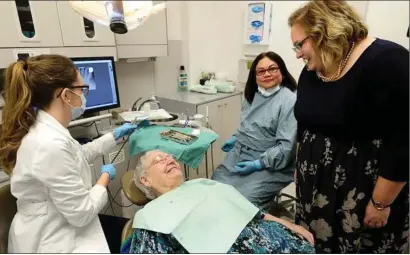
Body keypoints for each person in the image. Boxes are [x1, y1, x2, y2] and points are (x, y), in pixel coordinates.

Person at [288, 1, 409, 253]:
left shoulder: (387, 60)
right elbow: (304, 125)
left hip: (362, 194)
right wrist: (299, 170)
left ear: (324, 32)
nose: (298, 53)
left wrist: (380, 203)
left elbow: (403, 140)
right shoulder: (312, 71)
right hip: (315, 192)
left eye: (300, 44)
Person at [0, 54, 137, 253]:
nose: (84, 96)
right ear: (66, 95)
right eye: (82, 89)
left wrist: (113, 136)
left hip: (60, 219)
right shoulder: (48, 143)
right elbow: (82, 213)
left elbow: (78, 154)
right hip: (50, 237)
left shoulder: (48, 128)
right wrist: (104, 179)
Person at [121, 150, 315, 254]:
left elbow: (254, 212)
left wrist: (290, 225)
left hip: (273, 240)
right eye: (159, 160)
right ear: (145, 180)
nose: (169, 160)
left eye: (170, 157)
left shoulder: (202, 183)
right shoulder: (150, 216)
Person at [211, 51, 298, 210]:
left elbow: (286, 148)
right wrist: (237, 137)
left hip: (270, 164)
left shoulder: (289, 100)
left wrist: (259, 163)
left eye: (272, 69)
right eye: (261, 71)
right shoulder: (253, 95)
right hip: (240, 154)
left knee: (243, 205)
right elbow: (249, 124)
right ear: (255, 76)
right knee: (215, 188)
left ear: (282, 72)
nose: (267, 74)